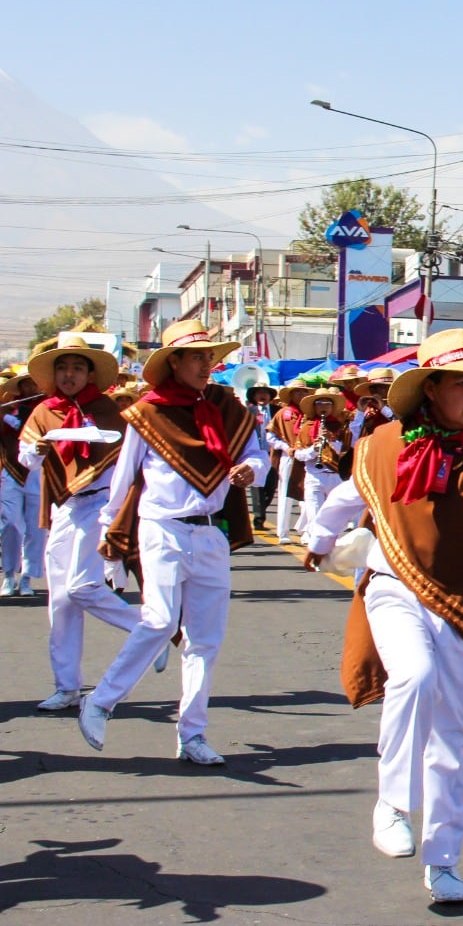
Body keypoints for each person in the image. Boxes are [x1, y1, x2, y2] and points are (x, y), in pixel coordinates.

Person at [302, 329, 463, 906]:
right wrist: (319, 538)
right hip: (394, 585)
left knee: (455, 732)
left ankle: (444, 857)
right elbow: (352, 495)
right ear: (431, 390)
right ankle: (393, 801)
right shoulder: (384, 444)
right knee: (414, 677)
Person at [78, 320, 267, 765]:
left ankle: (192, 734)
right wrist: (111, 541)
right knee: (161, 621)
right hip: (162, 527)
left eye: (210, 357)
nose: (207, 365)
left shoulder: (227, 407)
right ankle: (101, 699)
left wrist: (251, 471)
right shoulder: (148, 414)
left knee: (205, 641)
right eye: (197, 357)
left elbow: (254, 455)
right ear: (174, 363)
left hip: (209, 531)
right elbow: (123, 480)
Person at [18, 335, 149, 710]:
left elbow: (125, 457)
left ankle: (148, 629)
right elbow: (27, 457)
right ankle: (67, 685)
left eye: (77, 368)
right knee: (60, 599)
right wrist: (37, 450)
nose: (69, 375)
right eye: (62, 368)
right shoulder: (45, 411)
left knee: (81, 587)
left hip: (101, 503)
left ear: (90, 373)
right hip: (65, 505)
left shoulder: (107, 409)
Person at [2, 366, 46, 597]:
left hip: (37, 473)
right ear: (20, 388)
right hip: (10, 471)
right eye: (25, 384)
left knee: (35, 528)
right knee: (9, 524)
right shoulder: (11, 407)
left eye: (33, 383)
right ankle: (9, 575)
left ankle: (27, 577)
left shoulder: (45, 408)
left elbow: (24, 428)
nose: (30, 388)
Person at [293, 391, 350, 533]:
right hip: (315, 476)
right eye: (319, 404)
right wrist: (314, 449)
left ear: (332, 407)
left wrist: (332, 441)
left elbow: (346, 452)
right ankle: (315, 547)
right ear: (314, 407)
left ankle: (330, 548)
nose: (323, 407)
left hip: (336, 475)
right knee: (314, 516)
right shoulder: (307, 427)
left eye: (327, 404)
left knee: (334, 518)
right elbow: (298, 454)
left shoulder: (341, 427)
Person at [266, 378, 308, 543]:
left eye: (304, 392)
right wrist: (285, 447)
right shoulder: (283, 413)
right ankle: (283, 532)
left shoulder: (310, 412)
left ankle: (306, 529)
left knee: (309, 494)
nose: (301, 394)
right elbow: (270, 435)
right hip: (290, 456)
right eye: (297, 391)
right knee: (285, 494)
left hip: (307, 457)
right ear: (290, 395)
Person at [242, 383, 278, 530]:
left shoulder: (278, 411)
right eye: (258, 393)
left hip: (273, 452)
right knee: (257, 485)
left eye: (265, 392)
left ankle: (262, 508)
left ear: (270, 396)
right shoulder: (248, 411)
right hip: (255, 453)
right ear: (254, 396)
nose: (262, 395)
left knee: (271, 485)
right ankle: (258, 518)